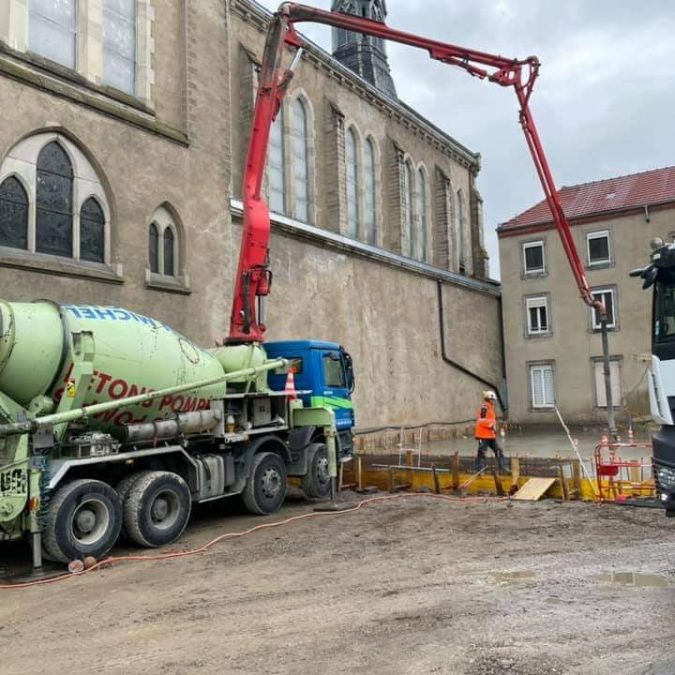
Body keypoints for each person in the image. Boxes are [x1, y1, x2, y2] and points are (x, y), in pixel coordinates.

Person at [474, 390, 507, 472]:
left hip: (490, 435)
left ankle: (503, 467)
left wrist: (494, 427)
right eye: (492, 399)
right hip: (483, 435)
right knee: (482, 453)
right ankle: (479, 470)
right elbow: (481, 420)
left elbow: (491, 420)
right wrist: (491, 425)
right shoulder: (484, 407)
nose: (493, 401)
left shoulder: (491, 408)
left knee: (498, 450)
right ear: (488, 399)